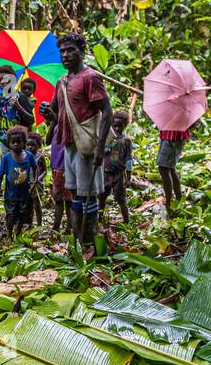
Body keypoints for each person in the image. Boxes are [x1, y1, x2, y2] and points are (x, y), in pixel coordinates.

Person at [51, 33, 113, 256]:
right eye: (63, 51)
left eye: (71, 50)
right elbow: (57, 113)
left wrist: (99, 148)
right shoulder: (62, 81)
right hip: (67, 144)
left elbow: (107, 111)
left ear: (81, 51)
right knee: (76, 194)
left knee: (88, 195)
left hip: (86, 145)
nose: (66, 55)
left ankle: (89, 242)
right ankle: (79, 239)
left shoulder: (90, 77)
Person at [0, 125, 38, 241]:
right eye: (13, 142)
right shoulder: (6, 157)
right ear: (9, 143)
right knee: (10, 215)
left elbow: (35, 168)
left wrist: (34, 182)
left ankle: (18, 232)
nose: (16, 144)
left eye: (18, 142)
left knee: (22, 215)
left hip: (25, 193)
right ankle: (9, 235)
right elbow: (1, 174)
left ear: (24, 142)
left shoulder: (29, 156)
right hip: (10, 194)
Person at [0, 68, 35, 154]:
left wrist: (18, 107)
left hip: (22, 145)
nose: (2, 82)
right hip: (5, 144)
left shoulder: (21, 97)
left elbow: (31, 120)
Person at [100, 111, 133, 226]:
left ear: (125, 126)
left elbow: (129, 159)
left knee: (121, 199)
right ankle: (99, 219)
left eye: (120, 126)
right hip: (106, 172)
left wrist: (128, 177)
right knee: (102, 197)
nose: (117, 129)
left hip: (118, 174)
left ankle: (127, 222)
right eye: (115, 126)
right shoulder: (108, 138)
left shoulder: (126, 140)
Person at [157, 119, 194, 217]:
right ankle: (178, 198)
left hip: (173, 137)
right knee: (170, 168)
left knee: (163, 169)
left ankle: (169, 200)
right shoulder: (177, 108)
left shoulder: (179, 108)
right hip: (170, 135)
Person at [26, 130, 48, 228]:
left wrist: (38, 179)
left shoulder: (40, 157)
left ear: (38, 145)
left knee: (37, 205)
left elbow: (44, 171)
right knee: (28, 205)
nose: (30, 147)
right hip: (27, 184)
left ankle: (39, 224)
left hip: (37, 185)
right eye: (28, 145)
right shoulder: (24, 156)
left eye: (33, 145)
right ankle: (30, 223)